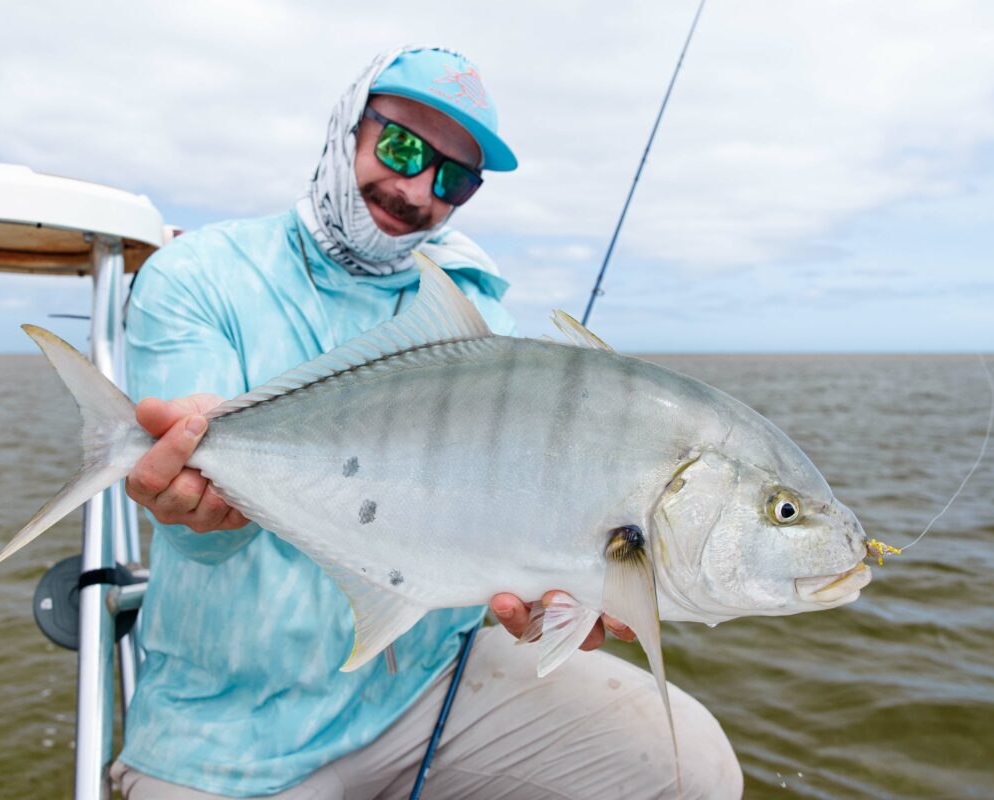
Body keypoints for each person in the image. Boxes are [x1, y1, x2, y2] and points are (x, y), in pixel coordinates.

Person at [109, 46, 742, 799]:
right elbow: (192, 516)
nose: (417, 191)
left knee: (685, 766)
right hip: (228, 729)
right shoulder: (200, 276)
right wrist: (195, 497)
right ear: (348, 126)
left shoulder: (477, 315)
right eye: (403, 146)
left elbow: (510, 518)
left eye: (453, 178)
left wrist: (555, 589)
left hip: (423, 689)